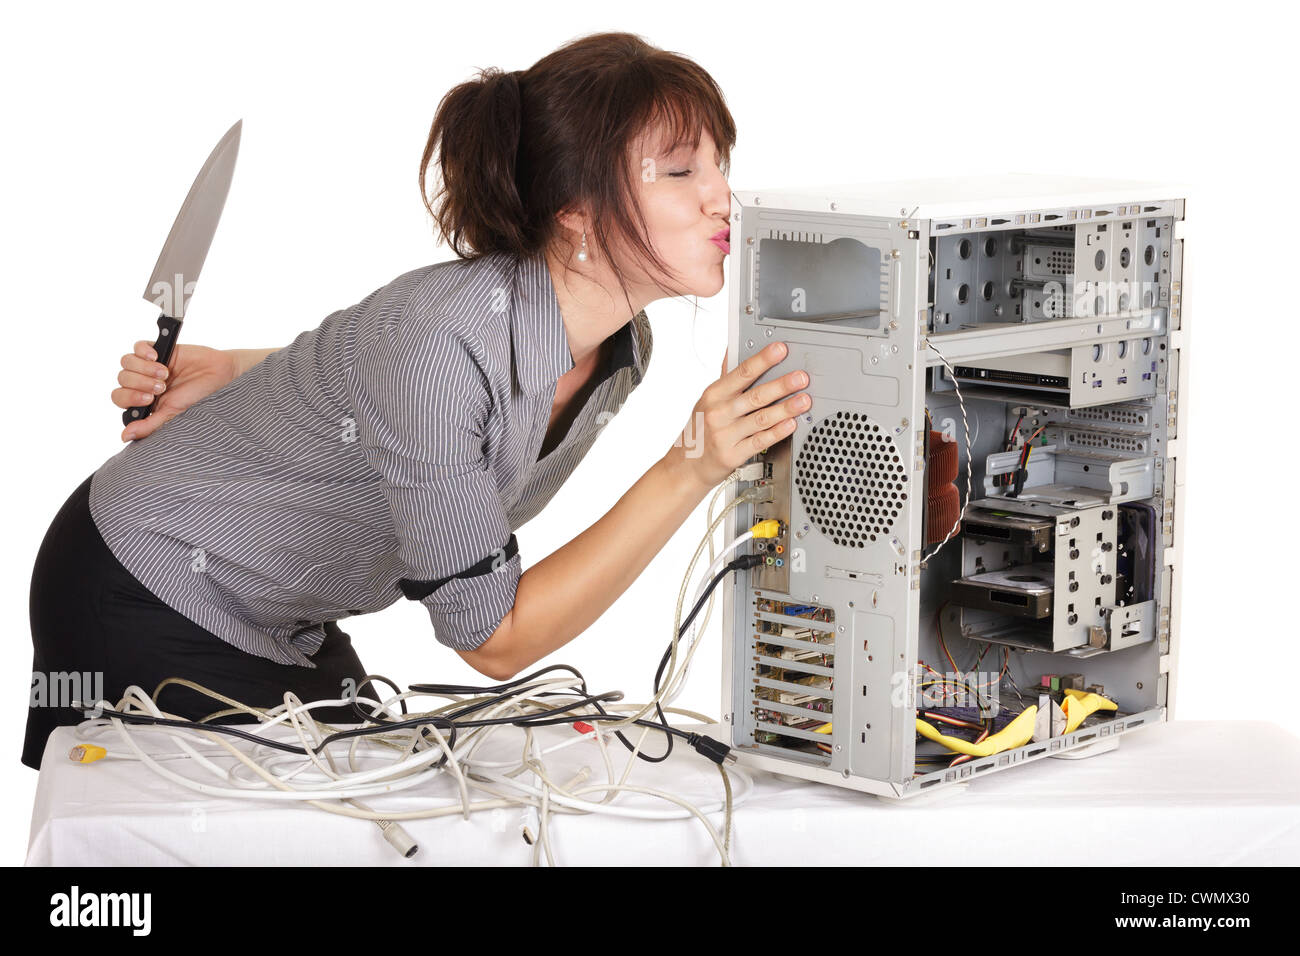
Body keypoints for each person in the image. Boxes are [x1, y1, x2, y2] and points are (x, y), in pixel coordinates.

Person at [22, 31, 811, 770]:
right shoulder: (440, 343)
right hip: (143, 582)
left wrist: (238, 368)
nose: (723, 198)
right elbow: (491, 639)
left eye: (719, 165)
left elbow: (410, 383)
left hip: (285, 618)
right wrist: (688, 469)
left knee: (378, 810)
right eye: (681, 171)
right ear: (575, 208)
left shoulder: (623, 349)